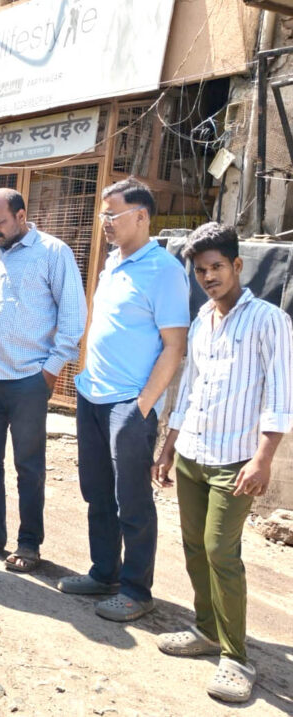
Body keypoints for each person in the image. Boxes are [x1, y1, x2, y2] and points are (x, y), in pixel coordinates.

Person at [152, 223, 292, 704]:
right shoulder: (201, 321)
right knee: (193, 545)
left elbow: (279, 396)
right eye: (201, 270)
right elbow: (188, 389)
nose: (209, 277)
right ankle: (207, 630)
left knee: (220, 551)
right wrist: (169, 446)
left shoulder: (269, 320)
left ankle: (236, 657)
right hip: (193, 452)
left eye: (217, 267)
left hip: (236, 460)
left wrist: (263, 459)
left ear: (237, 265)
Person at [58, 177, 189, 621]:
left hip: (129, 403)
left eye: (111, 213)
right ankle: (104, 573)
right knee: (96, 492)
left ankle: (137, 589)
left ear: (141, 216)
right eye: (102, 214)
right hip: (92, 393)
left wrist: (144, 405)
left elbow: (175, 346)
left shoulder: (165, 270)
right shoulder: (112, 263)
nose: (104, 222)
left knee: (131, 498)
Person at [0, 188, 87, 573]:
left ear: (21, 215)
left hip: (28, 378)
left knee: (29, 465)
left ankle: (29, 544)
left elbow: (73, 318)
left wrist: (49, 372)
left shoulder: (53, 253)